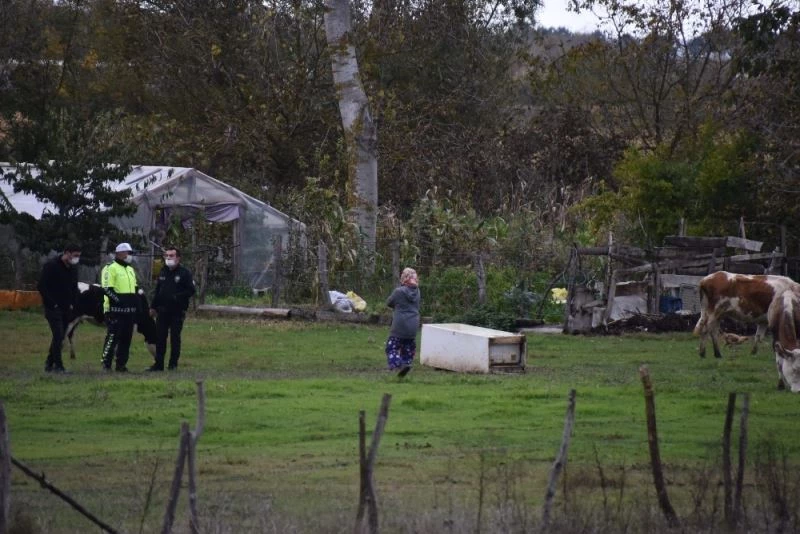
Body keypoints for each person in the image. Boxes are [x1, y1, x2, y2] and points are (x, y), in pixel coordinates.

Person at [147, 247, 195, 371]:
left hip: (177, 311)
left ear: (178, 258)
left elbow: (191, 290)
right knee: (160, 338)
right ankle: (158, 364)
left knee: (175, 338)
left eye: (171, 256)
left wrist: (176, 297)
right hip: (162, 311)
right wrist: (153, 306)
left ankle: (173, 365)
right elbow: (158, 290)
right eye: (167, 255)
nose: (168, 258)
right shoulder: (163, 271)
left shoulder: (185, 273)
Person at [37, 244, 81, 373]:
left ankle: (49, 364)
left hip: (67, 308)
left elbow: (74, 287)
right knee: (58, 335)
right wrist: (52, 303)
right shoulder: (51, 266)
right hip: (53, 308)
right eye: (75, 256)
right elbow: (42, 286)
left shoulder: (73, 268)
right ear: (67, 253)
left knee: (60, 336)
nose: (77, 259)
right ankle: (58, 366)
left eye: (79, 256)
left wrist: (74, 303)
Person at [100, 242, 139, 372]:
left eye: (131, 253)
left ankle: (121, 364)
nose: (130, 256)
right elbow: (107, 289)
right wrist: (119, 301)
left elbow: (135, 288)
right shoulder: (110, 268)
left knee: (126, 338)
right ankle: (106, 364)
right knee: (112, 337)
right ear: (119, 253)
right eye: (128, 253)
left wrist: (135, 303)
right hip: (115, 310)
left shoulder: (130, 269)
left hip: (129, 311)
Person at [385, 267, 421, 377]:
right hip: (413, 324)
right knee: (408, 347)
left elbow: (389, 302)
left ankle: (397, 365)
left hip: (400, 324)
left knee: (392, 347)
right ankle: (406, 364)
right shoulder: (418, 291)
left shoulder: (398, 291)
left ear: (403, 278)